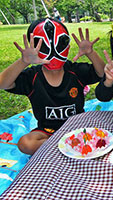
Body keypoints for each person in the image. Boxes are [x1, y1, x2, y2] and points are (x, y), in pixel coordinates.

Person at [0, 18, 105, 155]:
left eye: (60, 44)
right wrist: (23, 62)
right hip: (47, 133)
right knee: (25, 143)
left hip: (78, 128)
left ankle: (65, 145)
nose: (54, 52)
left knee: (101, 133)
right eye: (44, 46)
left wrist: (91, 53)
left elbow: (103, 73)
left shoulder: (75, 71)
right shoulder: (32, 77)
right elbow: (3, 83)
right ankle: (66, 144)